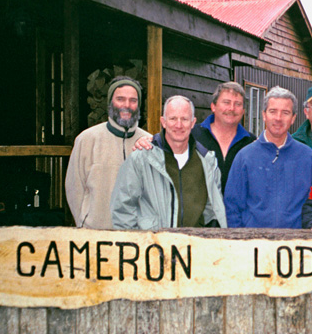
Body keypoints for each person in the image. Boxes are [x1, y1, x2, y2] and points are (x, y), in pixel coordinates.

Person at [110, 95, 226, 230]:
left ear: (193, 123)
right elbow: (123, 210)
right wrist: (139, 246)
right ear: (163, 122)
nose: (179, 125)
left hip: (193, 246)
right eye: (172, 119)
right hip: (153, 247)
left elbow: (211, 212)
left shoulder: (208, 163)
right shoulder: (140, 160)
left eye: (184, 119)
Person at [225, 86, 312, 229]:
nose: (278, 118)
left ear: (293, 118)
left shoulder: (307, 156)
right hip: (255, 243)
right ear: (264, 115)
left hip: (295, 244)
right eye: (273, 111)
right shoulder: (245, 157)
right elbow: (232, 207)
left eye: (285, 113)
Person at [65, 76, 151, 229]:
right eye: (120, 99)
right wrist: (85, 223)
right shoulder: (87, 139)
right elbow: (74, 188)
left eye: (133, 100)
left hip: (136, 239)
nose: (127, 105)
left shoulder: (149, 142)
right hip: (94, 237)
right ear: (110, 102)